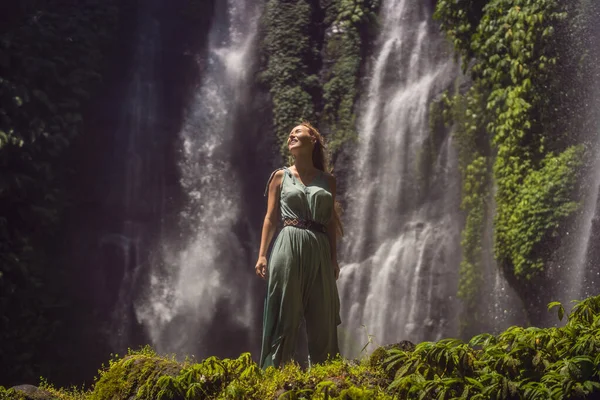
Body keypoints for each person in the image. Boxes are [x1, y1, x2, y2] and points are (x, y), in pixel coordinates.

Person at [255, 122, 342, 369]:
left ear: (313, 139)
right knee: (285, 311)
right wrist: (262, 255)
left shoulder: (328, 181)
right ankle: (275, 375)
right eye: (290, 133)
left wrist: (334, 259)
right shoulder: (280, 177)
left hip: (319, 247)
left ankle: (326, 376)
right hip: (288, 242)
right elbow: (271, 218)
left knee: (322, 314)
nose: (292, 134)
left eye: (298, 131)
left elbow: (330, 224)